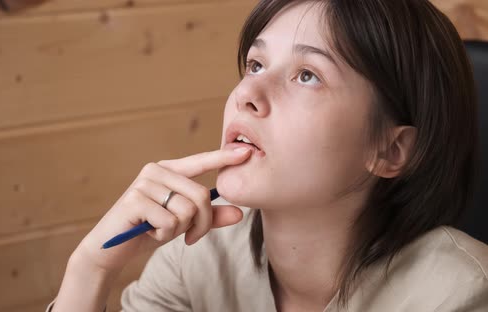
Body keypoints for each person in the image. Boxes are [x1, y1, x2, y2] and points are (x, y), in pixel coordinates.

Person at [49, 0, 488, 311]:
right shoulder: (198, 252)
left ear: (390, 150)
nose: (246, 94)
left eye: (307, 75)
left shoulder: (460, 295)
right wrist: (90, 268)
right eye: (256, 65)